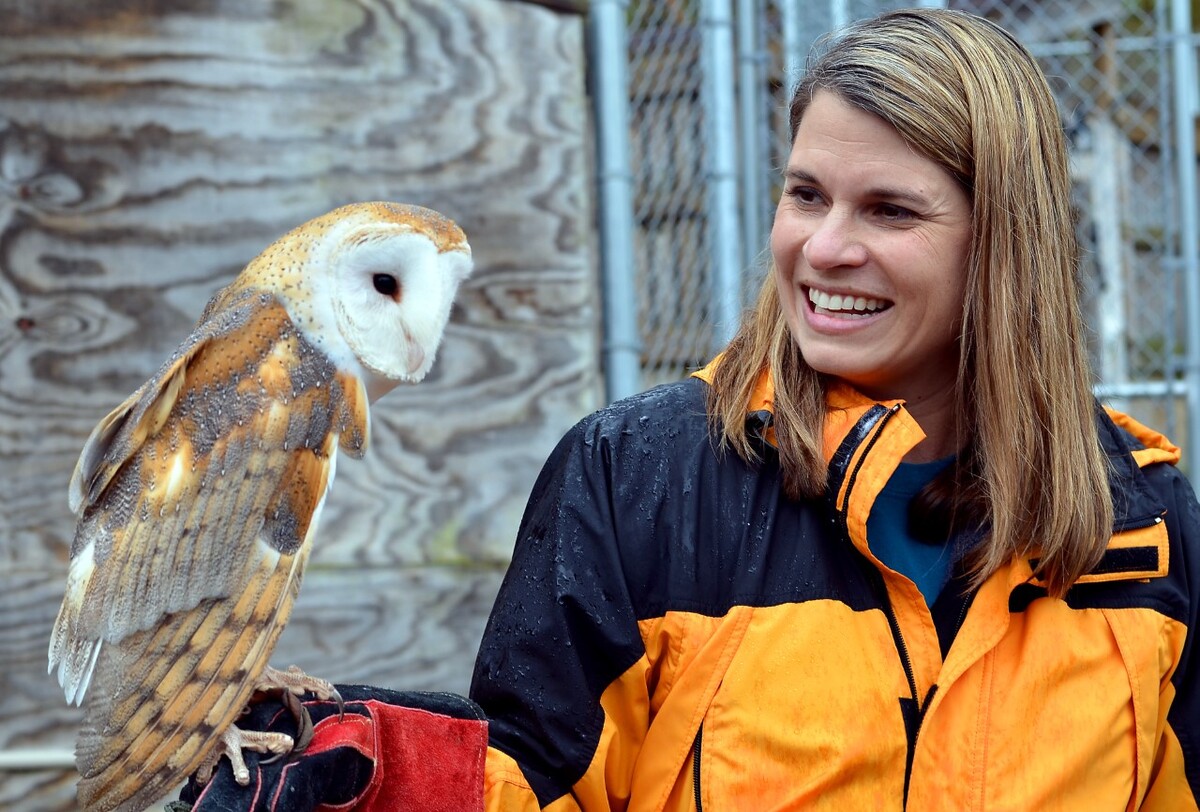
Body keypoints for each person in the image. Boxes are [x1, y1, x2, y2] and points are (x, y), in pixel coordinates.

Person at [176, 7, 1199, 810]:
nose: (823, 247)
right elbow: (547, 780)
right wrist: (392, 786)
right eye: (805, 194)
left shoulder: (1143, 524)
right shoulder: (639, 477)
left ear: (1003, 244)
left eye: (889, 209)